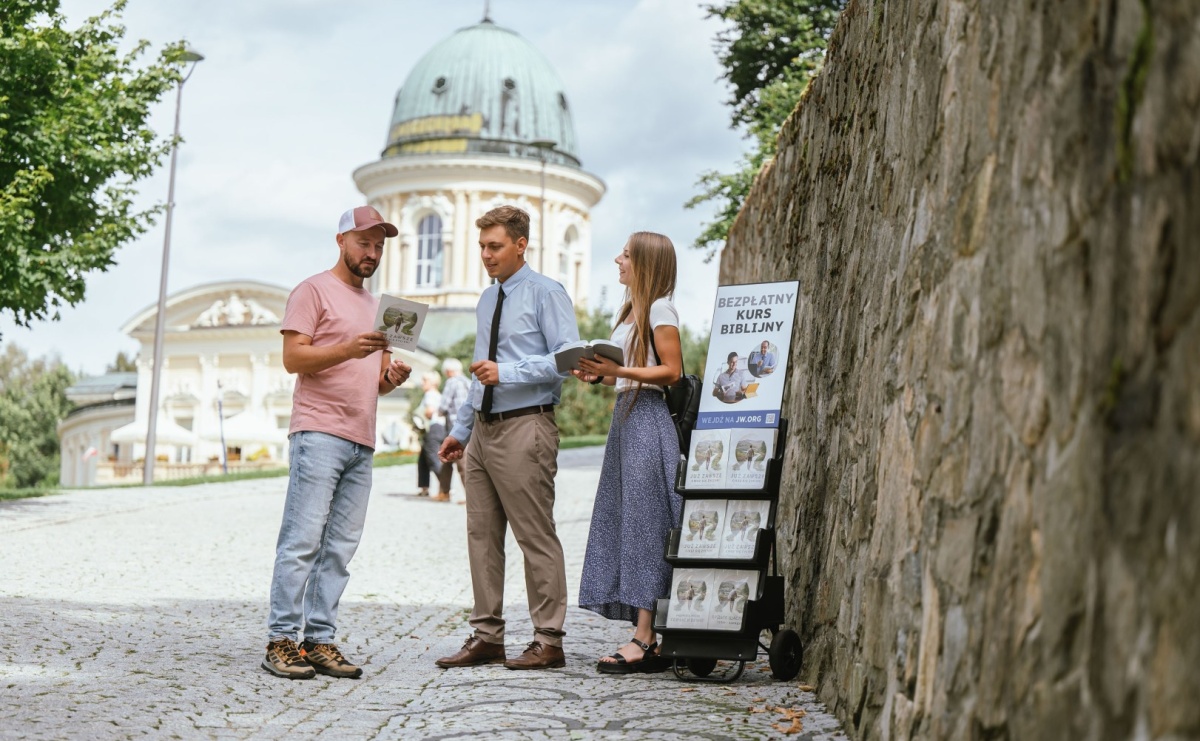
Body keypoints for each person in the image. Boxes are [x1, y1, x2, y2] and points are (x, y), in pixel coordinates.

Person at [262, 205, 412, 681]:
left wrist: (390, 377)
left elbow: (371, 382)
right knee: (302, 540)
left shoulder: (380, 309)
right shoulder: (313, 290)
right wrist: (349, 348)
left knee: (340, 548)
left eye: (379, 246)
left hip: (361, 438)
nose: (371, 253)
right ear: (341, 241)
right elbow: (293, 358)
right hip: (318, 432)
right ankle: (281, 640)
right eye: (364, 243)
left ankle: (319, 639)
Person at [435, 205, 579, 671]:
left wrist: (508, 372)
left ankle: (549, 640)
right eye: (481, 247)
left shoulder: (546, 293)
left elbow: (569, 358)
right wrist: (461, 431)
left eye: (494, 246)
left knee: (534, 535)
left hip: (526, 425)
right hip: (482, 434)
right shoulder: (486, 299)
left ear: (521, 245)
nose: (485, 255)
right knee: (481, 535)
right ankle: (487, 635)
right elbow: (480, 373)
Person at [572, 231, 684, 674]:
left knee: (645, 524)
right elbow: (632, 371)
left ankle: (645, 637)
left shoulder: (660, 307)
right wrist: (602, 375)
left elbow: (673, 371)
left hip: (647, 420)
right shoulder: (632, 310)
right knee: (627, 520)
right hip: (627, 417)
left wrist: (618, 369)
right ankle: (647, 632)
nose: (617, 259)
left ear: (645, 263)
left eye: (626, 254)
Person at [435, 357, 470, 501]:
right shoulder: (469, 381)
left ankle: (469, 498)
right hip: (470, 427)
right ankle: (444, 492)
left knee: (460, 461)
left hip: (455, 427)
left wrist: (438, 413)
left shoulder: (452, 382)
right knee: (451, 460)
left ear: (448, 371)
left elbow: (443, 406)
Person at [414, 371, 445, 498]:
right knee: (423, 460)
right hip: (438, 428)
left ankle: (445, 488)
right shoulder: (437, 394)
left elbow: (429, 412)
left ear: (432, 383)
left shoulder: (430, 394)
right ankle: (424, 488)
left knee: (433, 458)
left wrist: (419, 417)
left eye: (425, 381)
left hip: (433, 428)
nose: (422, 383)